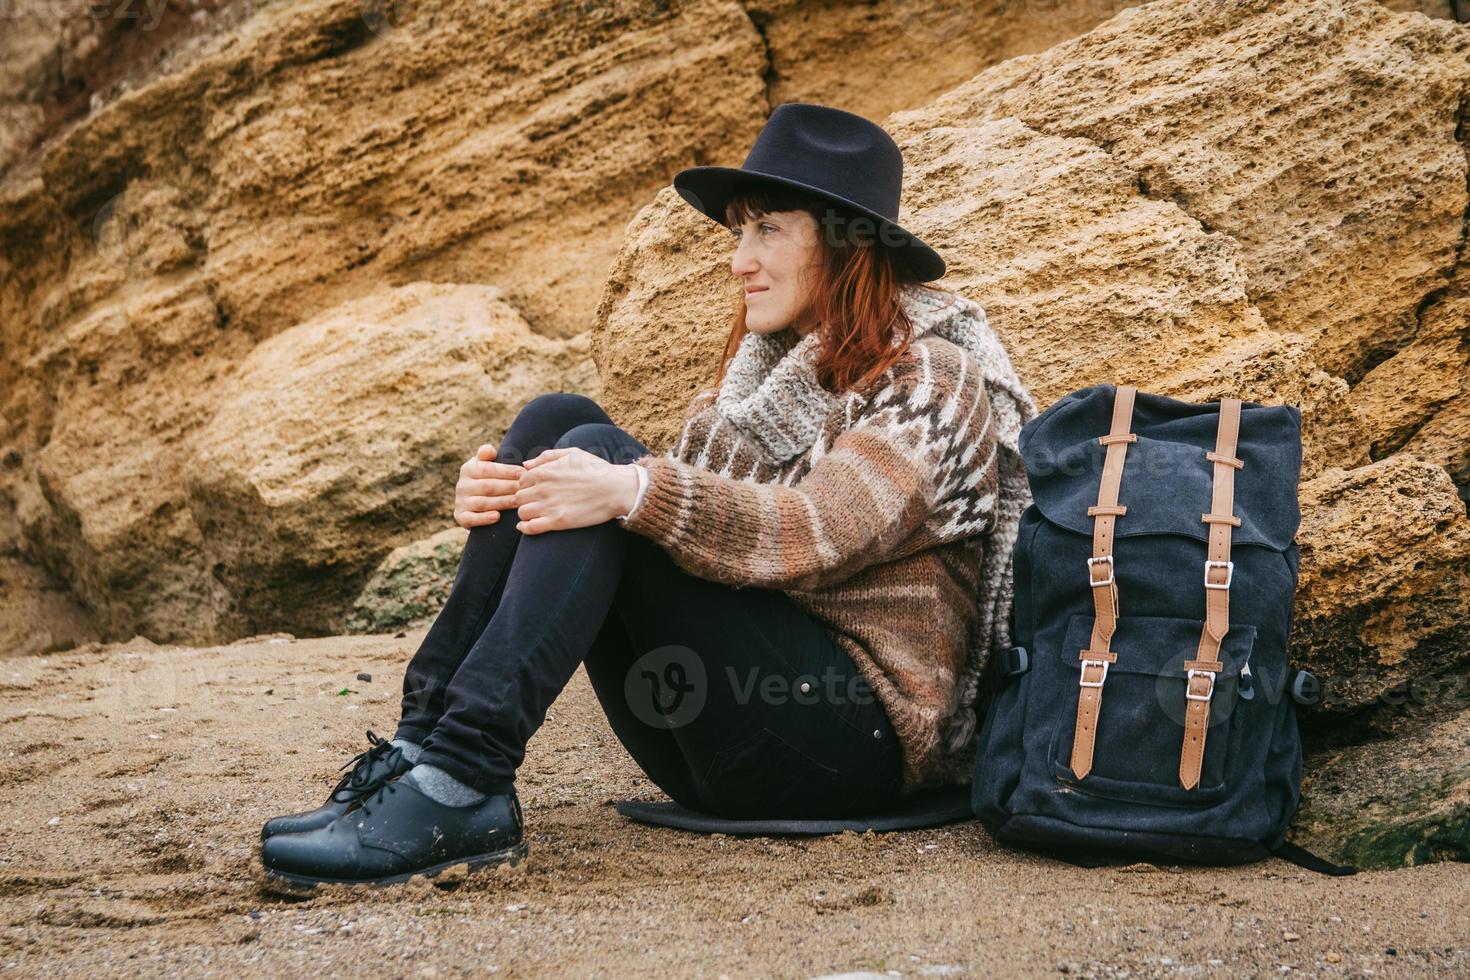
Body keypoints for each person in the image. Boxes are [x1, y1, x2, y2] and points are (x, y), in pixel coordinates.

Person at [257, 102, 1038, 888]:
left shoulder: (931, 380)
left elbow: (815, 530)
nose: (739, 260)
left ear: (843, 245)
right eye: (739, 232)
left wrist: (624, 488)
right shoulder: (756, 381)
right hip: (718, 730)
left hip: (852, 743)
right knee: (558, 423)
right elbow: (664, 517)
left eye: (768, 229)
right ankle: (419, 756)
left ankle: (462, 778)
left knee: (602, 464)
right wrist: (505, 495)